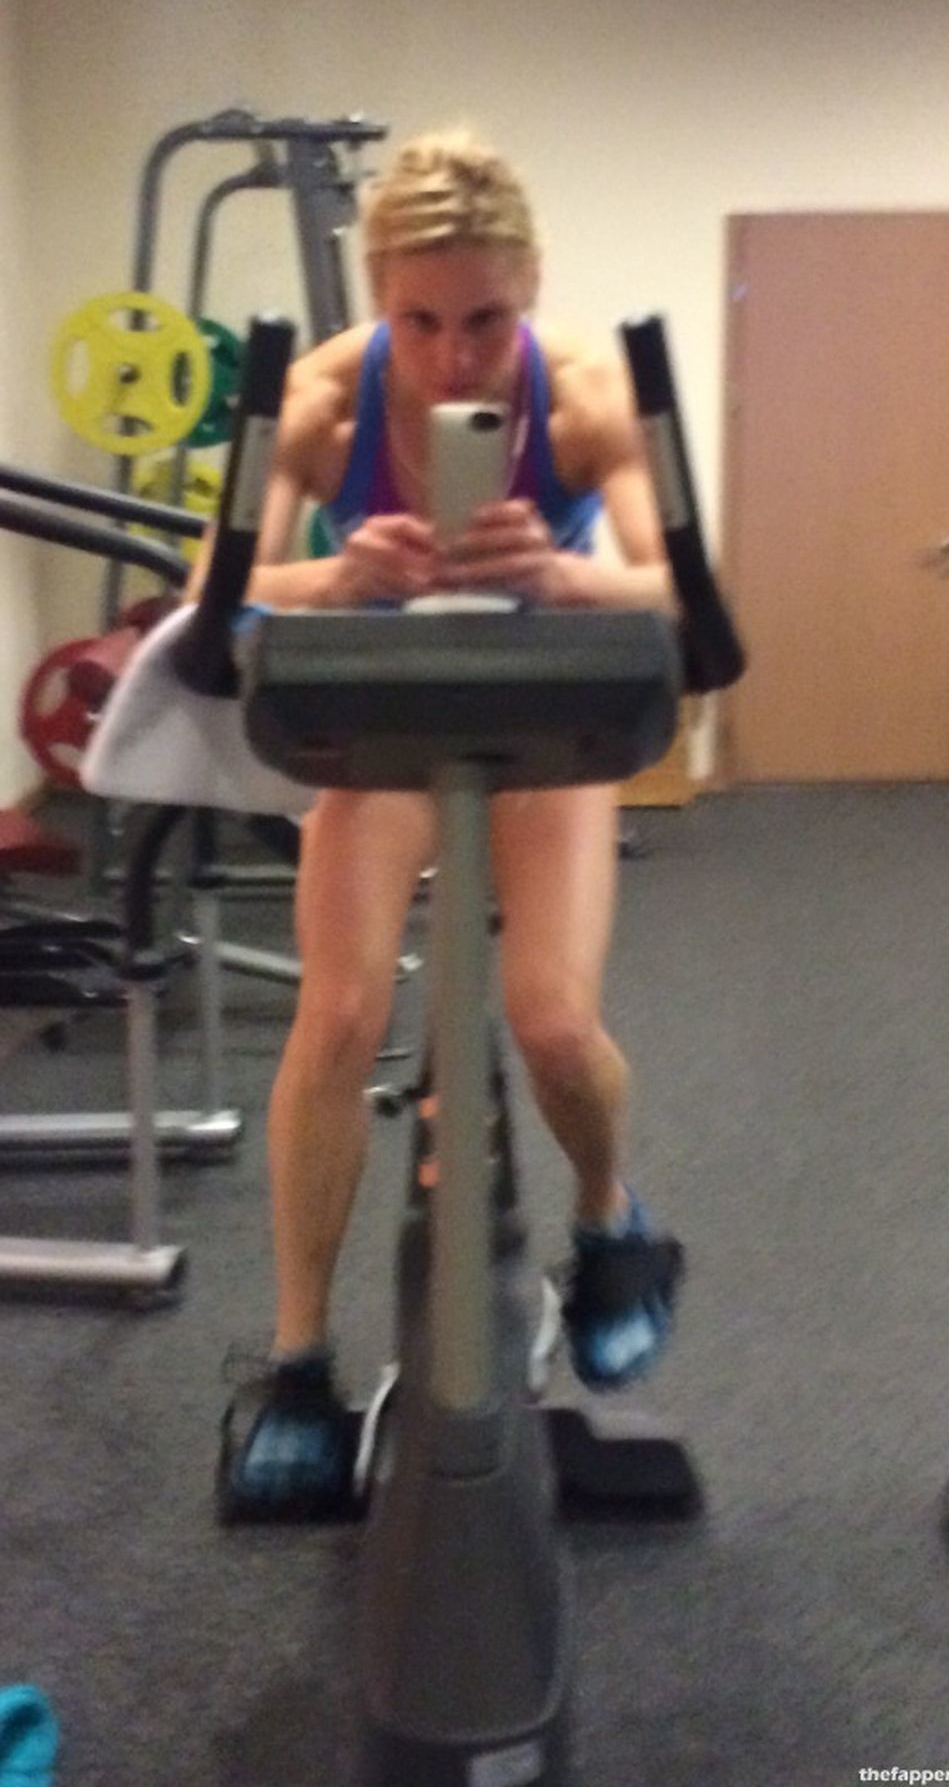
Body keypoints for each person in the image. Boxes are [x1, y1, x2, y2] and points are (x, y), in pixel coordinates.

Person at [209, 129, 685, 1512]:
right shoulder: (318, 401)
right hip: (379, 718)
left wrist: (566, 578)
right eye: (419, 321)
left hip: (544, 719)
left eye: (484, 319)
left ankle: (610, 1224)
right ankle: (298, 1360)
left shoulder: (586, 396)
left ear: (529, 285)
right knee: (338, 1014)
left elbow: (684, 590)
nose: (454, 357)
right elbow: (216, 591)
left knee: (550, 1019)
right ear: (378, 297)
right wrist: (337, 575)